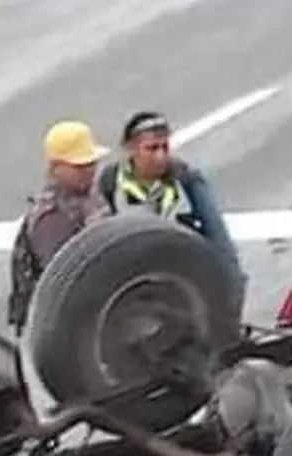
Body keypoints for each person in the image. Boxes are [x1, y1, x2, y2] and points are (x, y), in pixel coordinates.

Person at [97, 110, 246, 310]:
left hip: (187, 283)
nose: (160, 156)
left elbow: (219, 239)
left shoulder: (188, 181)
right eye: (151, 149)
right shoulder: (109, 185)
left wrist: (231, 293)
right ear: (131, 149)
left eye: (164, 147)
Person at [8, 120, 108, 335]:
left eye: (91, 163)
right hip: (61, 326)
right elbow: (62, 277)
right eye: (79, 166)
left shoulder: (89, 197)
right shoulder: (51, 217)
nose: (89, 171)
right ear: (55, 167)